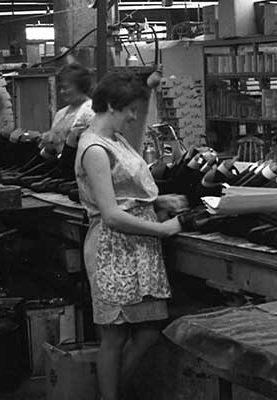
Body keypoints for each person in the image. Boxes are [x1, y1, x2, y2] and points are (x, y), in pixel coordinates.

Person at [74, 71, 192, 400]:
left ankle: (114, 392)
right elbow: (111, 214)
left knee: (150, 330)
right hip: (113, 248)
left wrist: (157, 200)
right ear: (111, 105)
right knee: (113, 336)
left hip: (138, 247)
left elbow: (125, 189)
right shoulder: (95, 148)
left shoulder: (116, 138)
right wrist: (164, 228)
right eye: (130, 110)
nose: (133, 116)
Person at [39, 63, 95, 156]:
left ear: (80, 86)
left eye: (65, 87)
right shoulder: (60, 114)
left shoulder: (91, 111)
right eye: (60, 88)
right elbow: (49, 154)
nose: (61, 92)